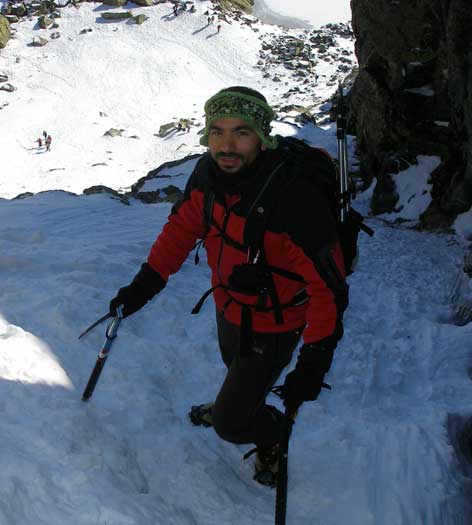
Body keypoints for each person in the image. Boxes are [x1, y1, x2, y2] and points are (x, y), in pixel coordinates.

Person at [108, 86, 348, 486]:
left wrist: (315, 358)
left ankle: (269, 432)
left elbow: (328, 288)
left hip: (275, 323)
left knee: (231, 424)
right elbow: (181, 229)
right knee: (234, 365)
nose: (227, 145)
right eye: (217, 131)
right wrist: (144, 285)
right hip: (228, 306)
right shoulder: (207, 174)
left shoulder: (295, 200)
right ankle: (237, 402)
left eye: (241, 131)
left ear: (263, 136)